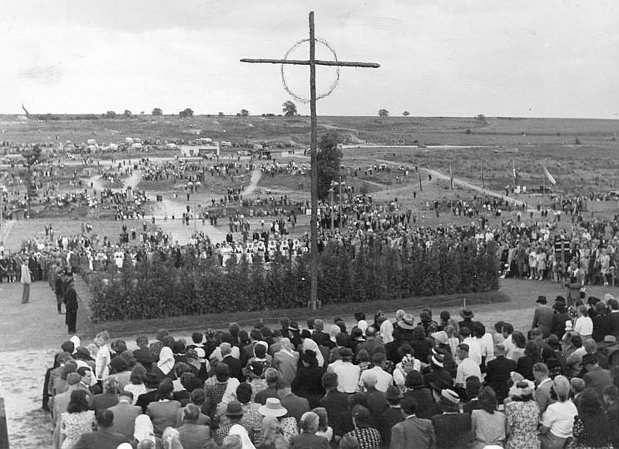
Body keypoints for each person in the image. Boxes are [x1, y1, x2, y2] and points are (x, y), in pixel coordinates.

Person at [539, 376, 577, 449]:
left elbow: (544, 431)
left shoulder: (552, 408)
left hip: (555, 442)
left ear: (553, 390)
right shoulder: (572, 405)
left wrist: (539, 427)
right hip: (569, 440)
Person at [504, 381, 540, 449]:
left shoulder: (511, 406)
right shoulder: (535, 405)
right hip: (533, 443)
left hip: (516, 444)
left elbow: (508, 430)